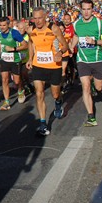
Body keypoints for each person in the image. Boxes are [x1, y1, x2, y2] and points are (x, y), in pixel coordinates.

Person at [27, 7, 69, 136]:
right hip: (38, 64)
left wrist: (60, 53)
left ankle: (58, 102)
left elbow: (65, 45)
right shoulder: (31, 30)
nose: (38, 21)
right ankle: (43, 124)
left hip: (53, 65)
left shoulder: (54, 28)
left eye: (40, 18)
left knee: (55, 94)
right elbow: (31, 43)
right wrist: (30, 58)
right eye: (35, 18)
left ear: (45, 16)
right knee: (39, 94)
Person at [70, 0, 102, 127]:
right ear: (80, 10)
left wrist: (95, 42)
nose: (86, 12)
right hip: (83, 60)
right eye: (84, 9)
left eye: (89, 9)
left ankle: (95, 86)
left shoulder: (99, 24)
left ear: (92, 10)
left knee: (98, 88)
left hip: (97, 59)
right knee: (85, 86)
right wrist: (71, 46)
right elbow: (76, 36)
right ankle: (91, 117)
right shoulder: (76, 24)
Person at [0, 16, 28, 110]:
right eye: (0, 25)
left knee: (16, 81)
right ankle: (6, 101)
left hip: (15, 59)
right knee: (4, 80)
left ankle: (20, 90)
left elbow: (25, 45)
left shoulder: (14, 33)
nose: (2, 27)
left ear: (8, 25)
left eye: (4, 25)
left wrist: (13, 49)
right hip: (4, 59)